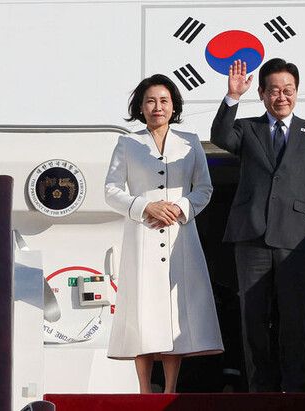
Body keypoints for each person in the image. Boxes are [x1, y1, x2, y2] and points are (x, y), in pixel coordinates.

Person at [210, 58, 305, 392]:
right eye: (275, 90)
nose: (282, 97)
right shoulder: (247, 129)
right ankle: (260, 391)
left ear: (296, 92)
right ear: (263, 93)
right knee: (253, 317)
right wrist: (233, 96)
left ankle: (296, 388)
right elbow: (219, 136)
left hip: (296, 238)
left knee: (294, 316)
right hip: (251, 235)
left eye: (288, 90)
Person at [105, 74, 223, 393]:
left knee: (174, 312)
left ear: (174, 106)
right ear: (141, 107)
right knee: (141, 311)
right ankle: (144, 390)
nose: (157, 107)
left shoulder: (190, 142)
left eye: (164, 101)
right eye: (151, 101)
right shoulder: (127, 143)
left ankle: (170, 389)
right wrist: (145, 206)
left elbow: (204, 188)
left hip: (179, 237)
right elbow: (111, 190)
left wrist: (180, 208)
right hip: (142, 235)